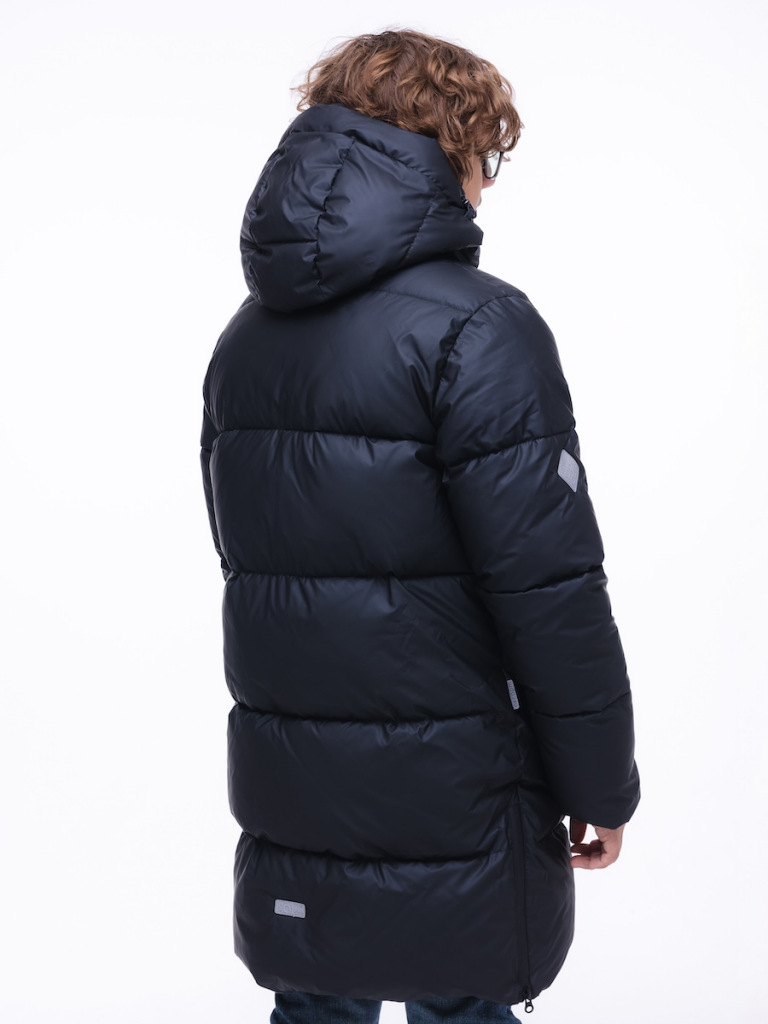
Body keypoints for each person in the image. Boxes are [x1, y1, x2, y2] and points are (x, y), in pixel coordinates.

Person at [199, 27, 640, 1023]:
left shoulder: (247, 338)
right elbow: (549, 587)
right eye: (488, 157)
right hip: (459, 790)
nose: (487, 186)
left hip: (297, 790)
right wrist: (600, 782)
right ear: (453, 147)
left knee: (315, 1004)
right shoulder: (480, 327)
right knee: (465, 1001)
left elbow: (245, 558)